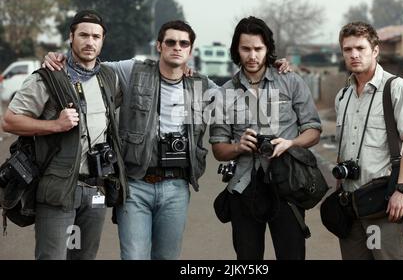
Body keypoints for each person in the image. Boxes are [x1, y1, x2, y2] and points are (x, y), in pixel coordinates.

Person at [43, 20, 292, 260]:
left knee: (166, 256)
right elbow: (91, 65)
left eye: (184, 44)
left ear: (191, 50)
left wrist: (273, 67)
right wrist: (61, 57)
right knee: (134, 256)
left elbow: (243, 94)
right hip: (135, 183)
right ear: (159, 46)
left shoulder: (202, 85)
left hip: (176, 187)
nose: (177, 47)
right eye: (171, 42)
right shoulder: (134, 70)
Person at [1, 10, 126, 260]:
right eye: (83, 35)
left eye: (96, 36)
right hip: (58, 188)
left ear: (103, 41)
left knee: (84, 257)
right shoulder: (47, 77)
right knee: (53, 257)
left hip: (97, 189)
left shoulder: (109, 78)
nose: (90, 42)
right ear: (71, 37)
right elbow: (10, 121)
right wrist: (55, 126)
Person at [209, 16, 321, 260]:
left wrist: (291, 143)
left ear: (268, 49)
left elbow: (313, 130)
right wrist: (238, 147)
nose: (252, 56)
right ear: (236, 51)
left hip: (287, 185)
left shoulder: (290, 81)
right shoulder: (225, 92)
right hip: (244, 186)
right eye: (246, 49)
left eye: (258, 49)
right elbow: (218, 149)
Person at [334, 21, 403, 260]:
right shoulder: (343, 95)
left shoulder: (396, 88)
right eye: (347, 49)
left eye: (360, 48)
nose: (353, 55)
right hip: (351, 204)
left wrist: (402, 190)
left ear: (375, 51)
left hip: (384, 204)